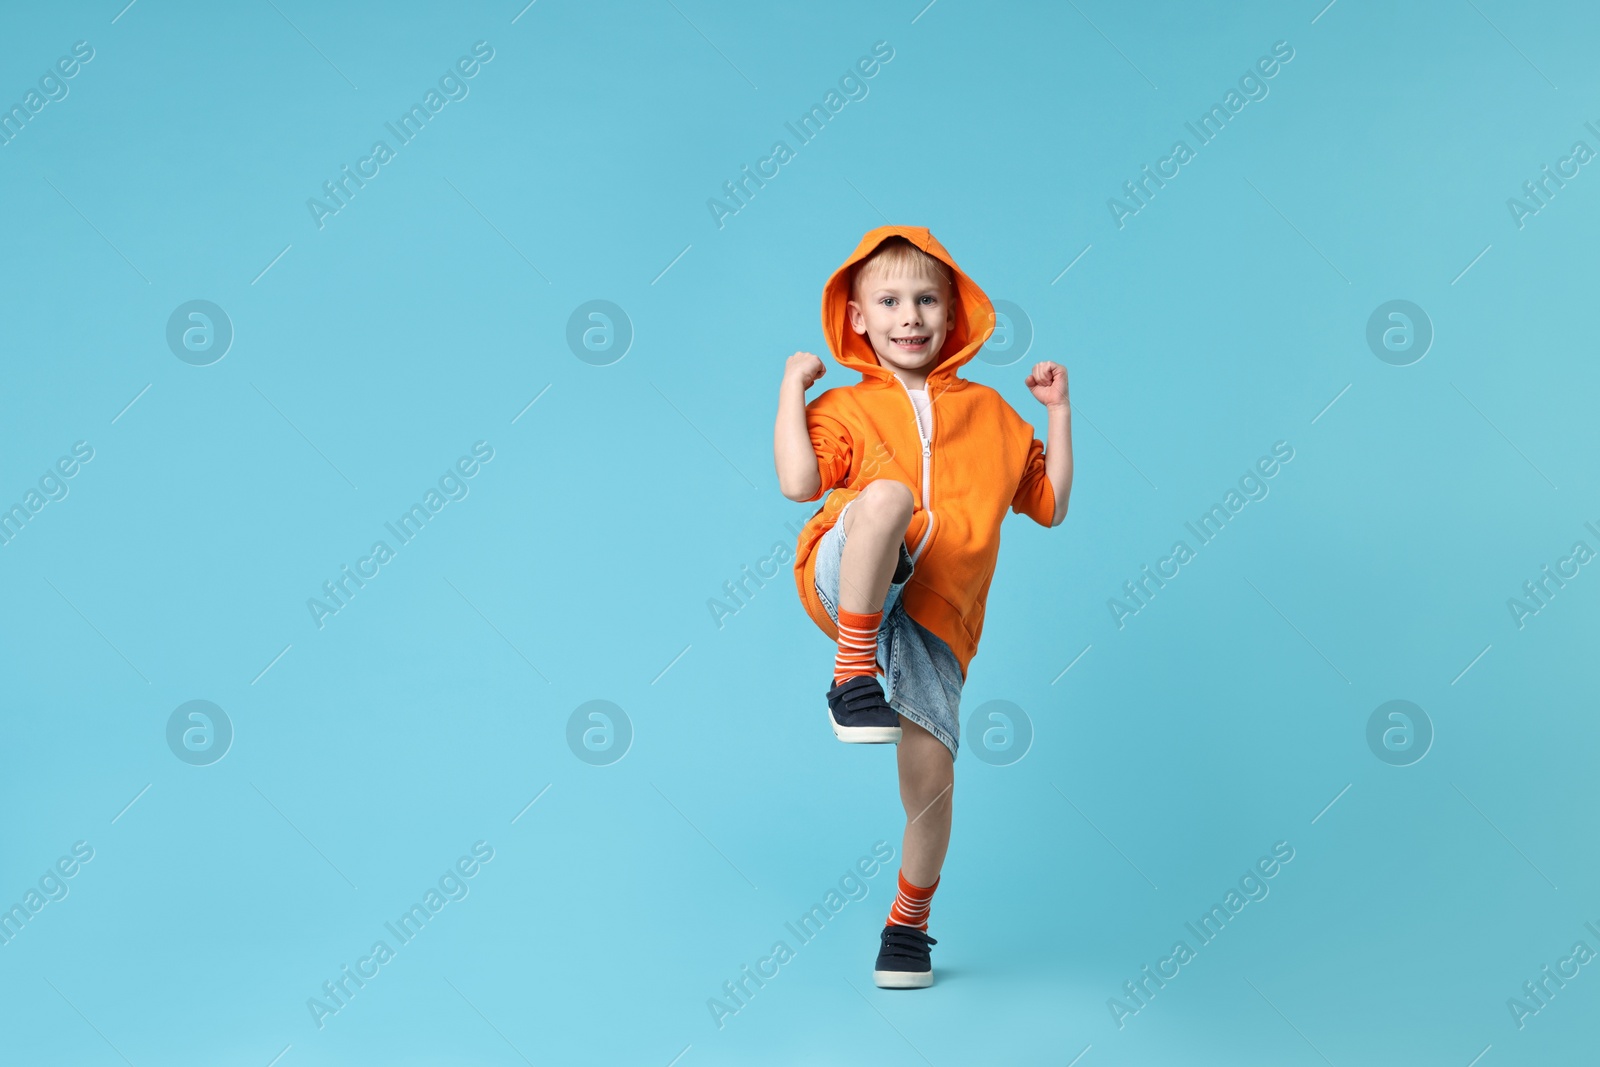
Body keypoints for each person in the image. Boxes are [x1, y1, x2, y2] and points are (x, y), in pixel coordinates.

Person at [773, 225, 1074, 988]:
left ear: (953, 315)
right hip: (853, 577)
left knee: (933, 784)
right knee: (889, 498)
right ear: (859, 319)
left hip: (934, 619)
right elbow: (800, 484)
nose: (910, 315)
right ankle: (850, 677)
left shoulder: (993, 417)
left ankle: (907, 927)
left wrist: (1058, 413)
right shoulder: (850, 406)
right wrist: (791, 388)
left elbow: (1050, 503)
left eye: (926, 300)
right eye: (890, 300)